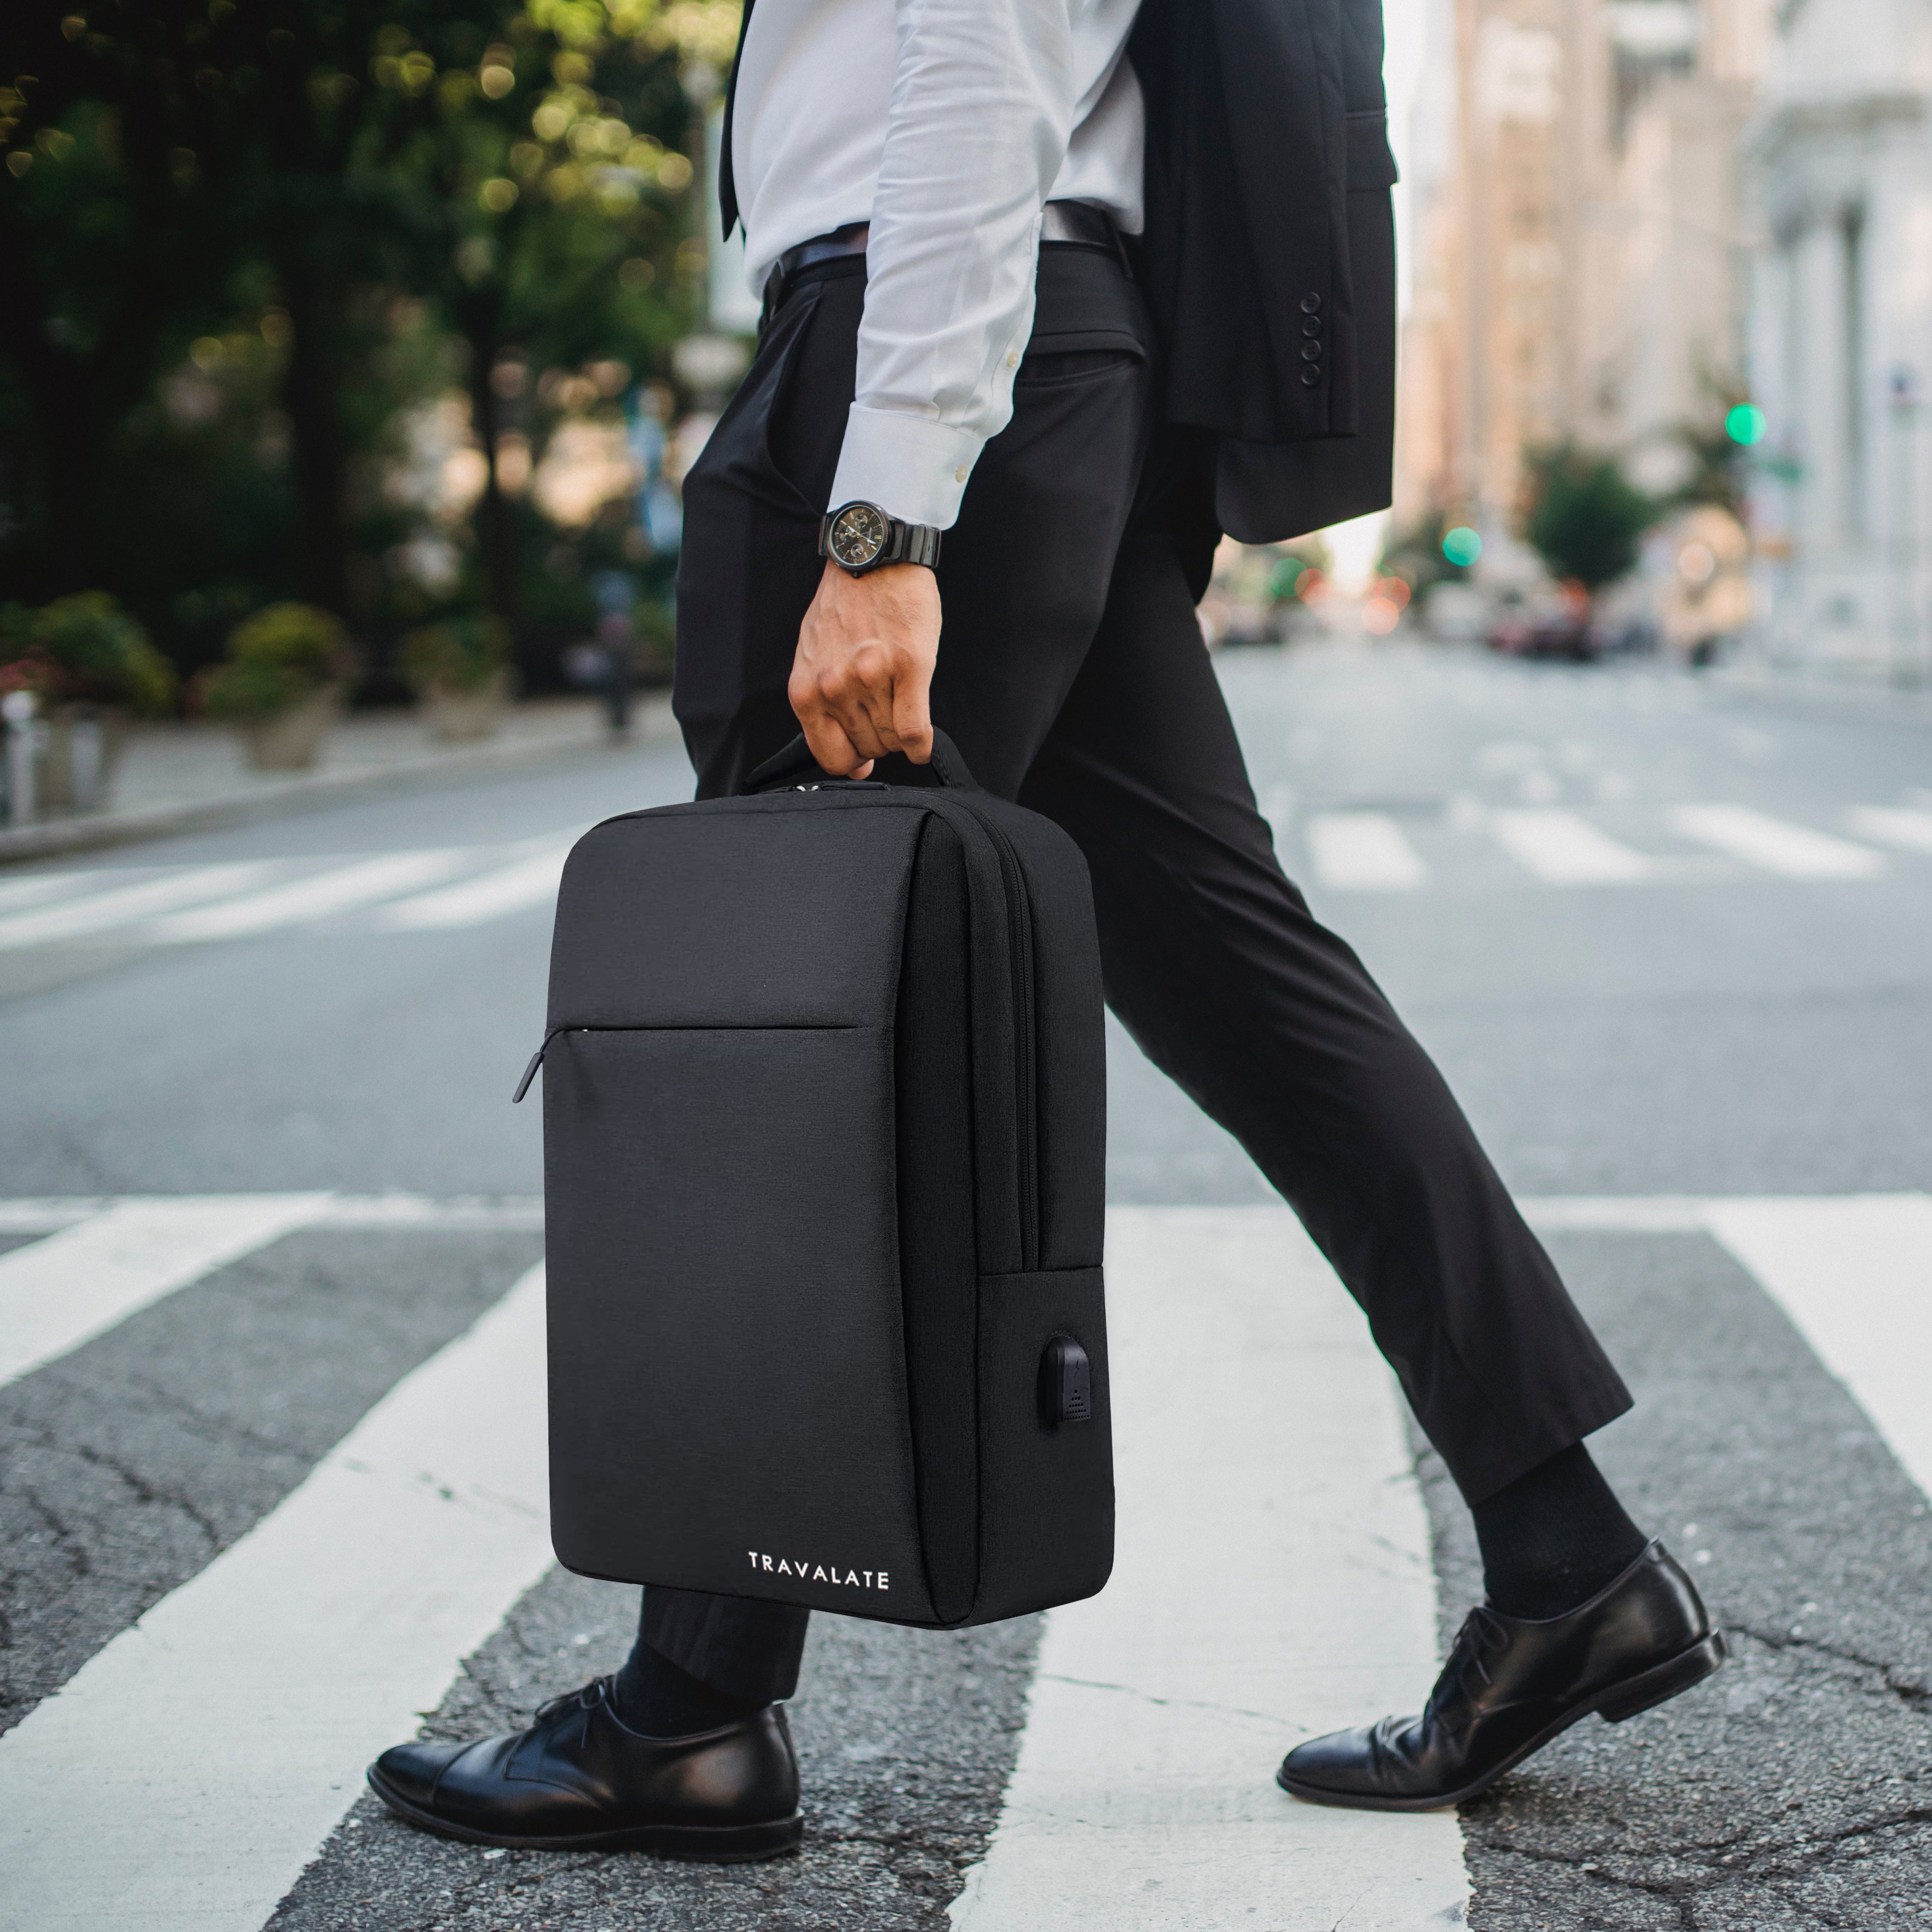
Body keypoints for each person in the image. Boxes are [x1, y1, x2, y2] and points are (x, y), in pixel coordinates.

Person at [368, 0, 1724, 1857]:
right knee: (1237, 975)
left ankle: (684, 1708)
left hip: (931, 350)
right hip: (1043, 346)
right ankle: (1568, 1558)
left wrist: (880, 520)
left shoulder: (906, 433)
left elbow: (978, 60)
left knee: (783, 995)